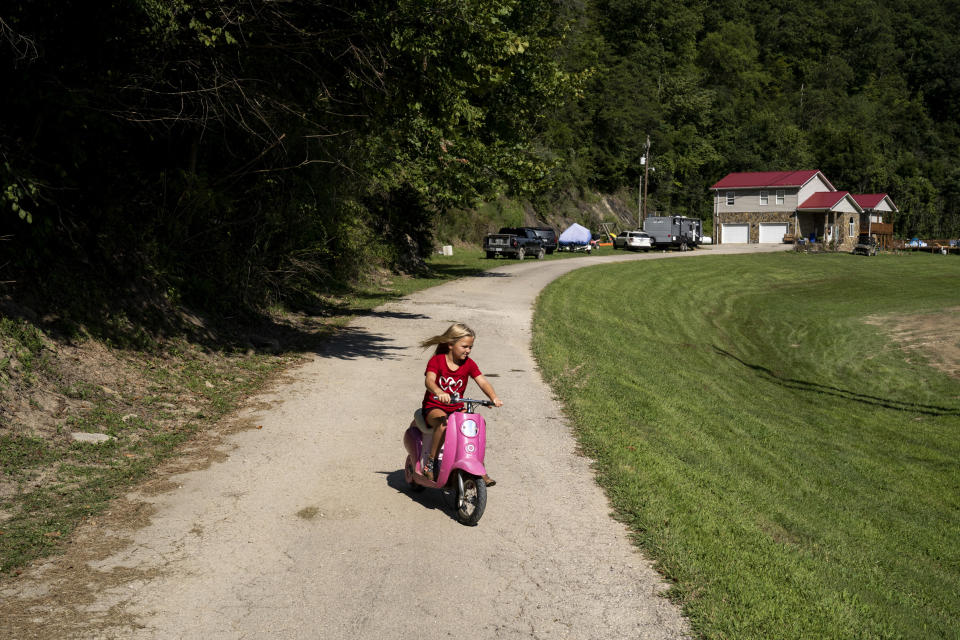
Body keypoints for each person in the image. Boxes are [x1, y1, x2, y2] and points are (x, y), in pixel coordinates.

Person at [417, 322, 502, 484]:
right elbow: (429, 380)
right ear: (450, 344)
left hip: (456, 409)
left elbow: (482, 382)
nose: (468, 351)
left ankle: (478, 465)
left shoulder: (469, 364)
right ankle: (430, 463)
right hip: (434, 407)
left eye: (470, 347)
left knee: (477, 424)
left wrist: (493, 397)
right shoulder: (437, 361)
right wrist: (439, 392)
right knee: (444, 423)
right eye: (464, 346)